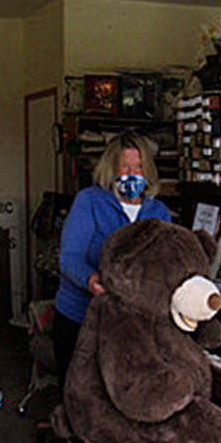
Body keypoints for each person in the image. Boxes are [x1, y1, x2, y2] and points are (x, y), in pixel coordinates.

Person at [53, 130, 170, 383]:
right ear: (111, 168)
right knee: (81, 395)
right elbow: (69, 258)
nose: (132, 173)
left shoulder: (158, 212)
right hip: (80, 317)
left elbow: (165, 264)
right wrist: (90, 280)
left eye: (139, 167)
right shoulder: (89, 201)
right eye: (125, 165)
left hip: (132, 324)